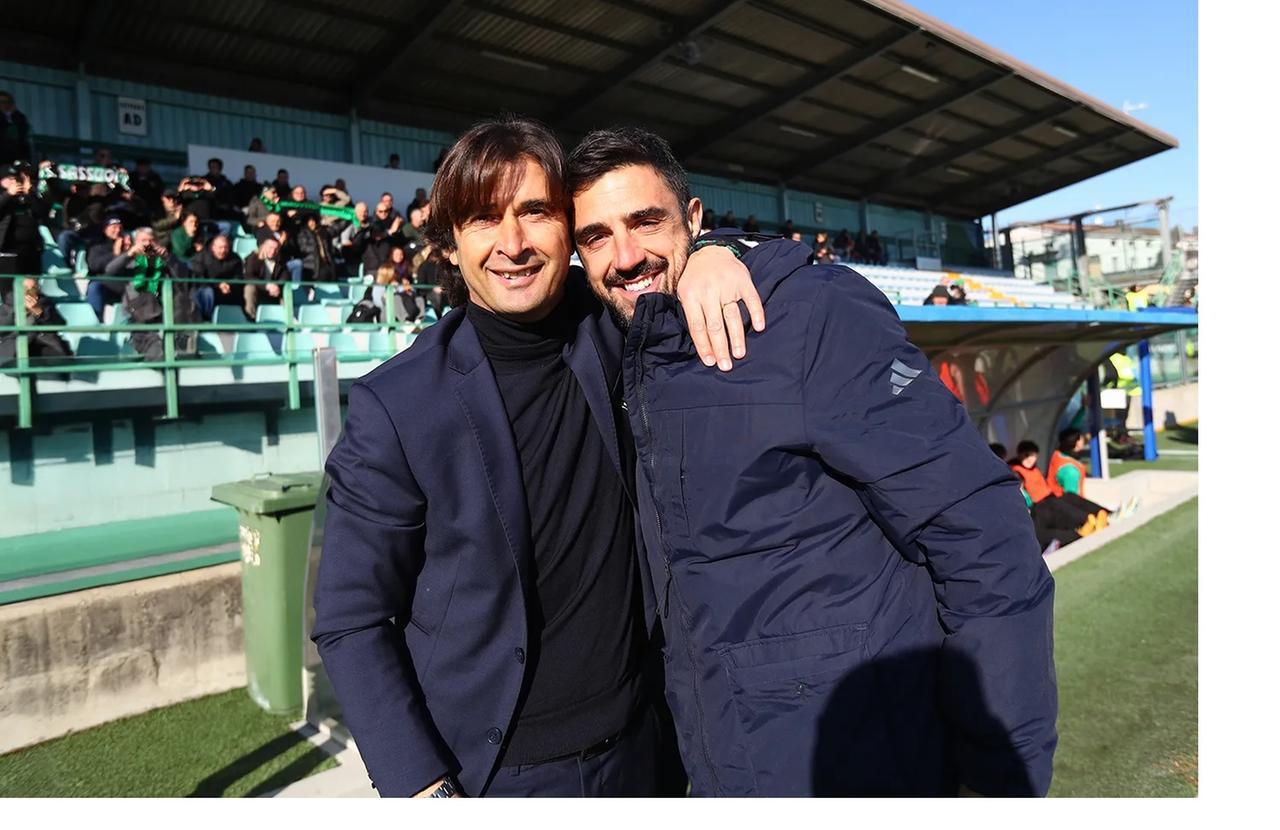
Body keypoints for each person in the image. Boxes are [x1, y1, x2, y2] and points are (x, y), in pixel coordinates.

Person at [566, 126, 1058, 796]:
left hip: (869, 765)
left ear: (695, 218)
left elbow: (984, 534)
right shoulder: (625, 352)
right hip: (727, 766)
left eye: (646, 220)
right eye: (595, 236)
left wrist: (1000, 782)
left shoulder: (810, 315)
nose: (625, 254)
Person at [311, 115, 762, 799]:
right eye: (484, 220)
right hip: (498, 775)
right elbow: (351, 618)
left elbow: (658, 248)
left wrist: (713, 252)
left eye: (534, 212)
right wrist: (422, 787)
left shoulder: (610, 327)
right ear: (451, 244)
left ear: (568, 229)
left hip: (648, 746)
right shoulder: (398, 406)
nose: (513, 244)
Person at [102, 226, 196, 358]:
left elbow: (184, 278)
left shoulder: (164, 263)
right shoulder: (130, 263)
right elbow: (109, 271)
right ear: (136, 243)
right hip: (137, 318)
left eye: (151, 241)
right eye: (143, 241)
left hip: (163, 315)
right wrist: (129, 254)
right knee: (156, 348)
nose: (147, 244)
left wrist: (168, 258)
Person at [0, 161, 42, 290]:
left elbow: (41, 213)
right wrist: (8, 195)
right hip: (8, 251)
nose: (14, 182)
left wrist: (30, 193)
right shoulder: (4, 197)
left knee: (31, 291)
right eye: (10, 179)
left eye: (16, 178)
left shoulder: (26, 197)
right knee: (11, 293)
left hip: (31, 250)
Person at [189, 235, 245, 320]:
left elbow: (238, 277)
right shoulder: (201, 258)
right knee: (206, 293)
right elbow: (198, 278)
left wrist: (229, 285)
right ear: (213, 247)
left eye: (225, 247)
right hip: (207, 288)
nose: (223, 250)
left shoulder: (235, 259)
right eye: (220, 247)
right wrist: (218, 285)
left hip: (229, 289)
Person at [243, 236, 288, 320]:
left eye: (276, 249)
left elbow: (285, 277)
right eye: (270, 247)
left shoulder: (281, 261)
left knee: (287, 290)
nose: (273, 251)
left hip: (274, 292)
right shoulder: (253, 258)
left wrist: (276, 286)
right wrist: (267, 285)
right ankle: (250, 319)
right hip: (259, 289)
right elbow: (249, 276)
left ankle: (288, 319)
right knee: (249, 288)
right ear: (264, 246)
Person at [0, 91, 33, 165]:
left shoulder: (19, 117)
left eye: (6, 102)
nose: (3, 105)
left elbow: (23, 136)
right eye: (1, 102)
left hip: (18, 158)